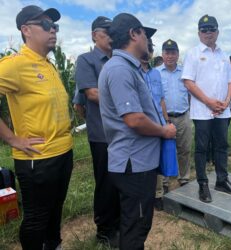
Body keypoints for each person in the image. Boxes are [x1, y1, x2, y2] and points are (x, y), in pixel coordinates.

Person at [98, 13, 176, 249]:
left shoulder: (129, 68)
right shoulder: (120, 69)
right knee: (136, 227)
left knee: (135, 223)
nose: (147, 41)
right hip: (134, 164)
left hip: (138, 162)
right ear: (133, 34)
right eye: (144, 33)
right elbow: (134, 119)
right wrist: (164, 131)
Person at [0, 5, 73, 250]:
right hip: (38, 158)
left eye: (55, 26)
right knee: (36, 217)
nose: (52, 30)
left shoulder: (48, 64)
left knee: (56, 207)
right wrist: (12, 139)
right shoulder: (15, 64)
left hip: (63, 151)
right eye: (45, 25)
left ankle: (53, 244)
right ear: (26, 30)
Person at [182, 14, 231, 203]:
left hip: (222, 110)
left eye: (212, 29)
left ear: (217, 32)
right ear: (199, 33)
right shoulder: (193, 54)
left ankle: (222, 180)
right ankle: (203, 184)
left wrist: (225, 101)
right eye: (204, 30)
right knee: (201, 148)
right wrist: (208, 101)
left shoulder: (224, 55)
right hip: (202, 111)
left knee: (222, 146)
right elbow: (188, 82)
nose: (208, 33)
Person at [74, 16, 120, 247]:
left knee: (120, 179)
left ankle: (118, 222)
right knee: (105, 181)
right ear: (94, 35)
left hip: (123, 132)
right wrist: (125, 104)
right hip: (102, 134)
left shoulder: (119, 59)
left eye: (114, 32)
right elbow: (91, 94)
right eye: (106, 32)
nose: (111, 36)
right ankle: (104, 228)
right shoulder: (87, 60)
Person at [157, 39, 192, 190]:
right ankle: (164, 182)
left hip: (183, 116)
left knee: (184, 149)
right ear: (162, 54)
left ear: (178, 55)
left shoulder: (185, 72)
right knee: (164, 150)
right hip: (164, 118)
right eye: (167, 53)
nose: (170, 56)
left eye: (173, 53)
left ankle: (184, 178)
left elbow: (190, 94)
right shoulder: (156, 73)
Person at [140, 38, 168, 211]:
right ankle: (145, 195)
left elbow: (162, 99)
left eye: (150, 48)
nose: (147, 52)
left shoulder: (156, 73)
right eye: (145, 47)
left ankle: (158, 194)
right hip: (143, 124)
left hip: (159, 123)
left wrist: (166, 120)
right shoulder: (132, 72)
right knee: (145, 160)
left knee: (158, 160)